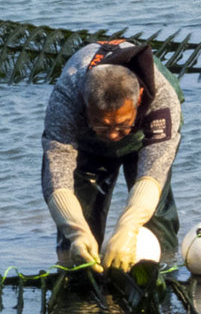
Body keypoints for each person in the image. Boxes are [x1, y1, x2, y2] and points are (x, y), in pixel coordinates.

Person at [41, 38, 183, 271]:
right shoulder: (66, 99)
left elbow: (154, 170)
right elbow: (57, 174)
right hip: (89, 143)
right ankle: (78, 281)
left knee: (154, 218)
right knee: (80, 227)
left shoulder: (162, 98)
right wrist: (76, 231)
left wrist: (128, 226)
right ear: (86, 106)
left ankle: (165, 274)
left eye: (121, 126)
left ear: (137, 99)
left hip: (142, 141)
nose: (115, 135)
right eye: (105, 126)